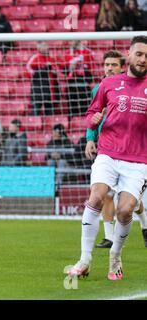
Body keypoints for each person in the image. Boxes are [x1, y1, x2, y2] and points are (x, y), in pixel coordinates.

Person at [66, 36, 147, 281]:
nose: (143, 59)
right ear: (129, 55)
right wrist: (92, 121)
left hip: (139, 159)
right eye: (139, 54)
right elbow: (92, 111)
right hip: (109, 153)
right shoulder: (110, 83)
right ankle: (84, 259)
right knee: (97, 195)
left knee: (124, 211)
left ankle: (115, 254)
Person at [84, 50, 147, 249]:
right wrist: (90, 138)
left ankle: (144, 224)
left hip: (132, 151)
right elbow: (93, 113)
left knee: (128, 203)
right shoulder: (100, 87)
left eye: (113, 65)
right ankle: (109, 236)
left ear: (122, 66)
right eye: (106, 65)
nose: (109, 68)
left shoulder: (135, 87)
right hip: (107, 148)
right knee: (104, 194)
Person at [26, 41, 60, 116]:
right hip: (38, 90)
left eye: (47, 45)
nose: (46, 47)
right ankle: (34, 125)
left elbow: (57, 71)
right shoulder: (35, 58)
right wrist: (44, 69)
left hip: (50, 91)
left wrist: (53, 71)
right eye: (44, 46)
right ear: (39, 47)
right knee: (36, 111)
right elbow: (29, 72)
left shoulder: (51, 58)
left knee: (49, 113)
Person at [64, 40, 94, 116]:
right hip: (71, 85)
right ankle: (72, 125)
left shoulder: (87, 52)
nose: (72, 43)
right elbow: (63, 68)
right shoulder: (68, 53)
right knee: (72, 110)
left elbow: (92, 69)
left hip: (83, 85)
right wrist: (70, 67)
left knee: (85, 110)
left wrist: (84, 66)